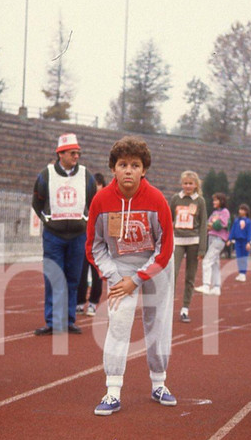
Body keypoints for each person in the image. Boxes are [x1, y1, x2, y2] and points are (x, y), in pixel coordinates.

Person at [86, 136, 175, 416]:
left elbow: (165, 247)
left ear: (143, 170)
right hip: (119, 268)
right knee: (119, 323)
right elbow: (94, 245)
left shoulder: (157, 200)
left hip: (154, 267)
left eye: (135, 165)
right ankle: (112, 390)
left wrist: (137, 278)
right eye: (122, 164)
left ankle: (159, 383)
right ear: (113, 168)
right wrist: (114, 277)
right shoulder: (101, 200)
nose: (128, 170)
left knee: (158, 324)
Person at [31, 133, 98, 335]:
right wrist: (47, 220)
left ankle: (68, 320)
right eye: (72, 153)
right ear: (60, 153)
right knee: (53, 277)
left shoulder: (86, 175)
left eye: (78, 153)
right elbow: (37, 202)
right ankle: (52, 322)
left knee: (73, 278)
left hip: (78, 236)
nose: (76, 156)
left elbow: (93, 202)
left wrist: (85, 221)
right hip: (54, 235)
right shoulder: (46, 174)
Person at [169, 170, 207, 323]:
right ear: (181, 184)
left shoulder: (200, 201)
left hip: (194, 242)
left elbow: (204, 225)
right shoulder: (175, 199)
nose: (188, 186)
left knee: (190, 277)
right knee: (172, 274)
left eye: (190, 183)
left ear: (196, 185)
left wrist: (202, 248)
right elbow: (169, 219)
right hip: (177, 241)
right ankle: (168, 307)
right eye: (185, 183)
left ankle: (185, 309)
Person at [77, 173, 107, 317]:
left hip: (100, 245)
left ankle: (94, 303)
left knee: (97, 276)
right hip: (83, 241)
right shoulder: (82, 203)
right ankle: (80, 302)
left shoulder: (106, 202)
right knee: (80, 274)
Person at [195, 192, 230, 296]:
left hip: (218, 239)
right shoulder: (215, 213)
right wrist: (211, 225)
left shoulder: (225, 212)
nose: (213, 202)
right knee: (215, 263)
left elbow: (220, 225)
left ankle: (206, 285)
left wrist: (212, 225)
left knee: (207, 261)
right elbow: (207, 224)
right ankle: (216, 287)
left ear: (221, 201)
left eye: (216, 200)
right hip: (211, 237)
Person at [228, 203, 251, 282]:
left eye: (243, 210)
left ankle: (243, 273)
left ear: (246, 211)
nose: (241, 211)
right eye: (240, 209)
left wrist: (248, 242)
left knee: (244, 257)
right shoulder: (236, 220)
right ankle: (240, 272)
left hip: (245, 241)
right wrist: (229, 239)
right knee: (239, 257)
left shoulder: (248, 221)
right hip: (237, 241)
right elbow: (233, 230)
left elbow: (249, 232)